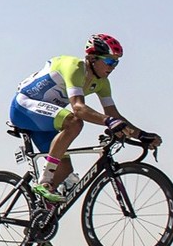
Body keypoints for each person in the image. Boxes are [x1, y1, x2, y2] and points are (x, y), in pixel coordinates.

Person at [12, 34, 159, 206]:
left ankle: (39, 216)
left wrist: (141, 135)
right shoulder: (74, 68)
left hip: (47, 118)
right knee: (74, 121)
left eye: (116, 62)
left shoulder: (102, 83)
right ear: (91, 58)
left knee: (66, 170)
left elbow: (114, 115)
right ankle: (43, 181)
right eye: (109, 61)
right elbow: (79, 108)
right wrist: (108, 121)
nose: (113, 67)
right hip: (24, 107)